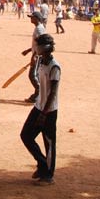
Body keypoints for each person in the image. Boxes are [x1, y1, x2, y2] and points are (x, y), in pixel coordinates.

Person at [20, 33, 60, 186]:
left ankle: (48, 175)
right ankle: (42, 164)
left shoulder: (54, 67)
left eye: (38, 46)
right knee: (26, 135)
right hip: (38, 106)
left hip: (49, 111)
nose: (36, 48)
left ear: (46, 48)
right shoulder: (41, 62)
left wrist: (44, 113)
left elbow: (53, 93)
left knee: (49, 143)